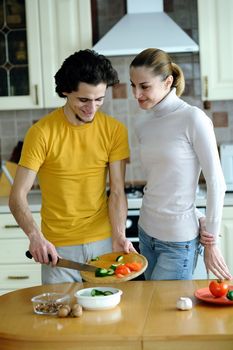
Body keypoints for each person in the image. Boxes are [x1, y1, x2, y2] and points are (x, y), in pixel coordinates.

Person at [9, 49, 136, 284]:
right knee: (61, 318)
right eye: (83, 100)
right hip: (58, 251)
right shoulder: (41, 133)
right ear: (65, 92)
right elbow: (17, 196)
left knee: (107, 318)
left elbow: (117, 191)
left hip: (104, 245)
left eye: (99, 100)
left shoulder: (114, 131)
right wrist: (35, 237)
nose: (92, 108)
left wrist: (119, 235)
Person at [129, 48, 232, 281]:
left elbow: (216, 182)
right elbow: (167, 180)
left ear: (168, 82)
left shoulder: (193, 118)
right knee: (151, 311)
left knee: (165, 313)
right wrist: (197, 213)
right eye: (133, 85)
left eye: (144, 86)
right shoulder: (141, 122)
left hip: (178, 242)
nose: (136, 94)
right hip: (145, 232)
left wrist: (211, 241)